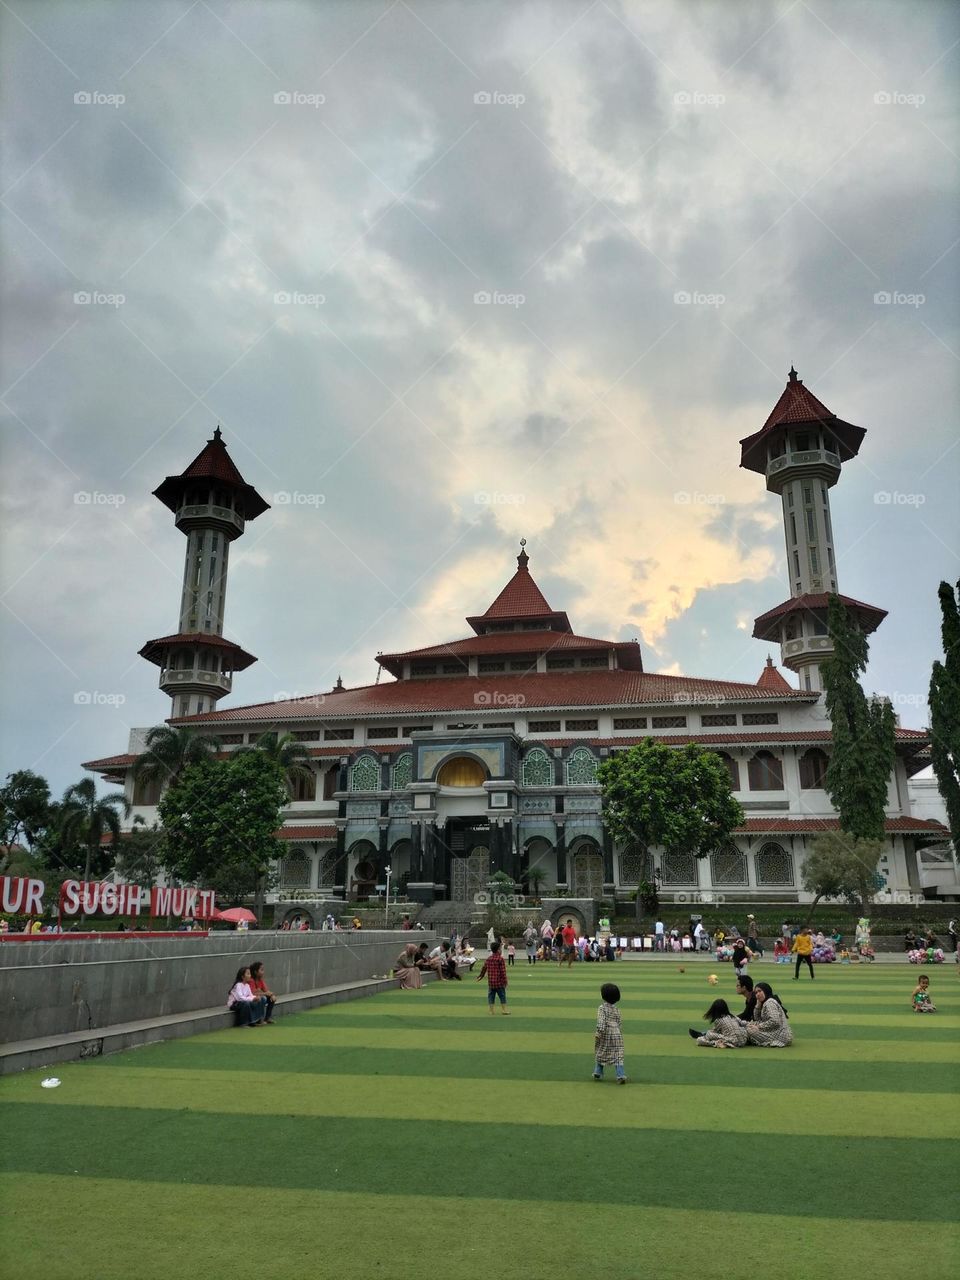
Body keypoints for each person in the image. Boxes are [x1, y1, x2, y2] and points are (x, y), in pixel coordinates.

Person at [593, 982, 626, 1082]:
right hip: (616, 1034)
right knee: (618, 1054)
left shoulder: (602, 1008)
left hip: (606, 1032)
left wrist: (599, 1032)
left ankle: (598, 1072)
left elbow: (601, 1021)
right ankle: (620, 1075)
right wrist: (618, 1032)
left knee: (601, 1051)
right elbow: (619, 1022)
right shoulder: (617, 1009)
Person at [745, 982, 793, 1047]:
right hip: (776, 1032)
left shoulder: (770, 1002)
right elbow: (757, 1019)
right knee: (750, 1026)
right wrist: (758, 1005)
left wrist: (758, 1026)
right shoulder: (765, 1002)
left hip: (780, 1035)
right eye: (756, 993)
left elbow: (775, 1021)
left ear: (766, 991)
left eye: (760, 991)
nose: (758, 994)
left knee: (749, 1030)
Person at [477, 939, 509, 1015]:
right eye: (500, 949)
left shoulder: (489, 959)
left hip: (491, 982)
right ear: (498, 950)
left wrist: (480, 976)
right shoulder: (500, 959)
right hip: (499, 982)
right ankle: (504, 1010)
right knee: (502, 996)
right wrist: (505, 981)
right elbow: (503, 972)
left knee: (491, 996)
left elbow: (484, 968)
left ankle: (491, 1010)